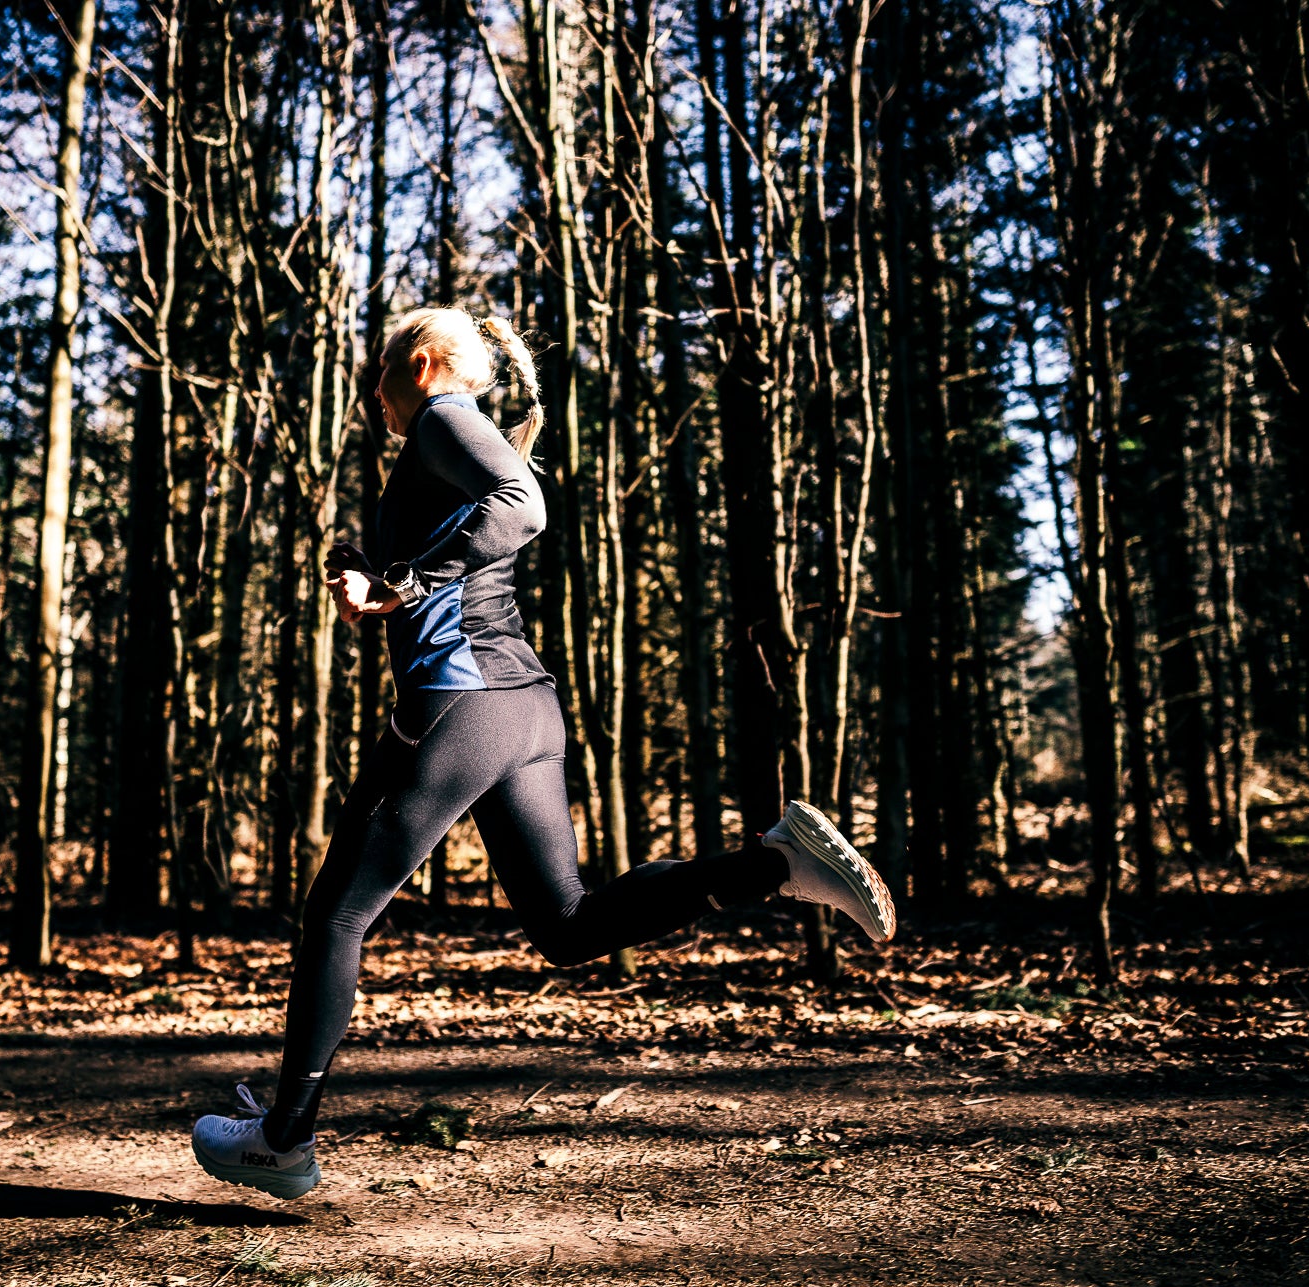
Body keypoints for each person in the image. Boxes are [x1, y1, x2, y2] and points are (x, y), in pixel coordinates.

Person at [190, 307, 896, 1200]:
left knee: (336, 915)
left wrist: (400, 580)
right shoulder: (448, 442)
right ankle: (774, 865)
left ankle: (283, 1138)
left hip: (461, 703)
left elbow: (523, 506)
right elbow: (453, 545)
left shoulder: (446, 415)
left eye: (378, 375)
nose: (374, 396)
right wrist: (368, 567)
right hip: (523, 709)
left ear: (423, 361)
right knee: (567, 925)